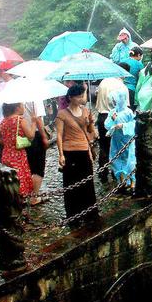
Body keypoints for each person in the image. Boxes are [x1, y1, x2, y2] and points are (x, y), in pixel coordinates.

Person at [56, 84, 98, 226]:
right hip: (70, 152)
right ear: (71, 98)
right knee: (71, 185)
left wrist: (90, 122)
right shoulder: (62, 114)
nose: (81, 99)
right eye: (79, 96)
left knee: (87, 183)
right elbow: (59, 135)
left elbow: (90, 131)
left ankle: (89, 213)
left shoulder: (86, 111)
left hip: (84, 151)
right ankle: (73, 216)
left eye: (82, 96)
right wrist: (60, 154)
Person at [0, 102, 36, 197]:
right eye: (22, 105)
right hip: (18, 155)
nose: (23, 107)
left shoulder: (3, 121)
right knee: (21, 179)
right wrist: (34, 122)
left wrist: (8, 143)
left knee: (11, 180)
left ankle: (14, 203)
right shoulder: (20, 120)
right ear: (17, 108)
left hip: (6, 154)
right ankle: (22, 204)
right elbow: (31, 136)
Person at [95, 77, 129, 183]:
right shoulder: (122, 86)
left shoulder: (103, 82)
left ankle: (103, 173)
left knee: (104, 146)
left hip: (102, 117)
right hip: (116, 117)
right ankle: (116, 173)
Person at [104, 90, 136, 193]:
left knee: (129, 161)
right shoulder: (112, 112)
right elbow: (107, 125)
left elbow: (134, 125)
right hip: (116, 141)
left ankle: (132, 182)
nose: (114, 101)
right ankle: (122, 182)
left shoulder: (128, 112)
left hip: (127, 140)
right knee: (116, 160)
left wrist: (123, 126)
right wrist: (113, 120)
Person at [24, 100, 50, 205]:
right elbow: (38, 118)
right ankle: (34, 197)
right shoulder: (35, 98)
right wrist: (44, 137)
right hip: (35, 134)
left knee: (29, 167)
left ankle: (28, 194)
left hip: (23, 135)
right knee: (38, 168)